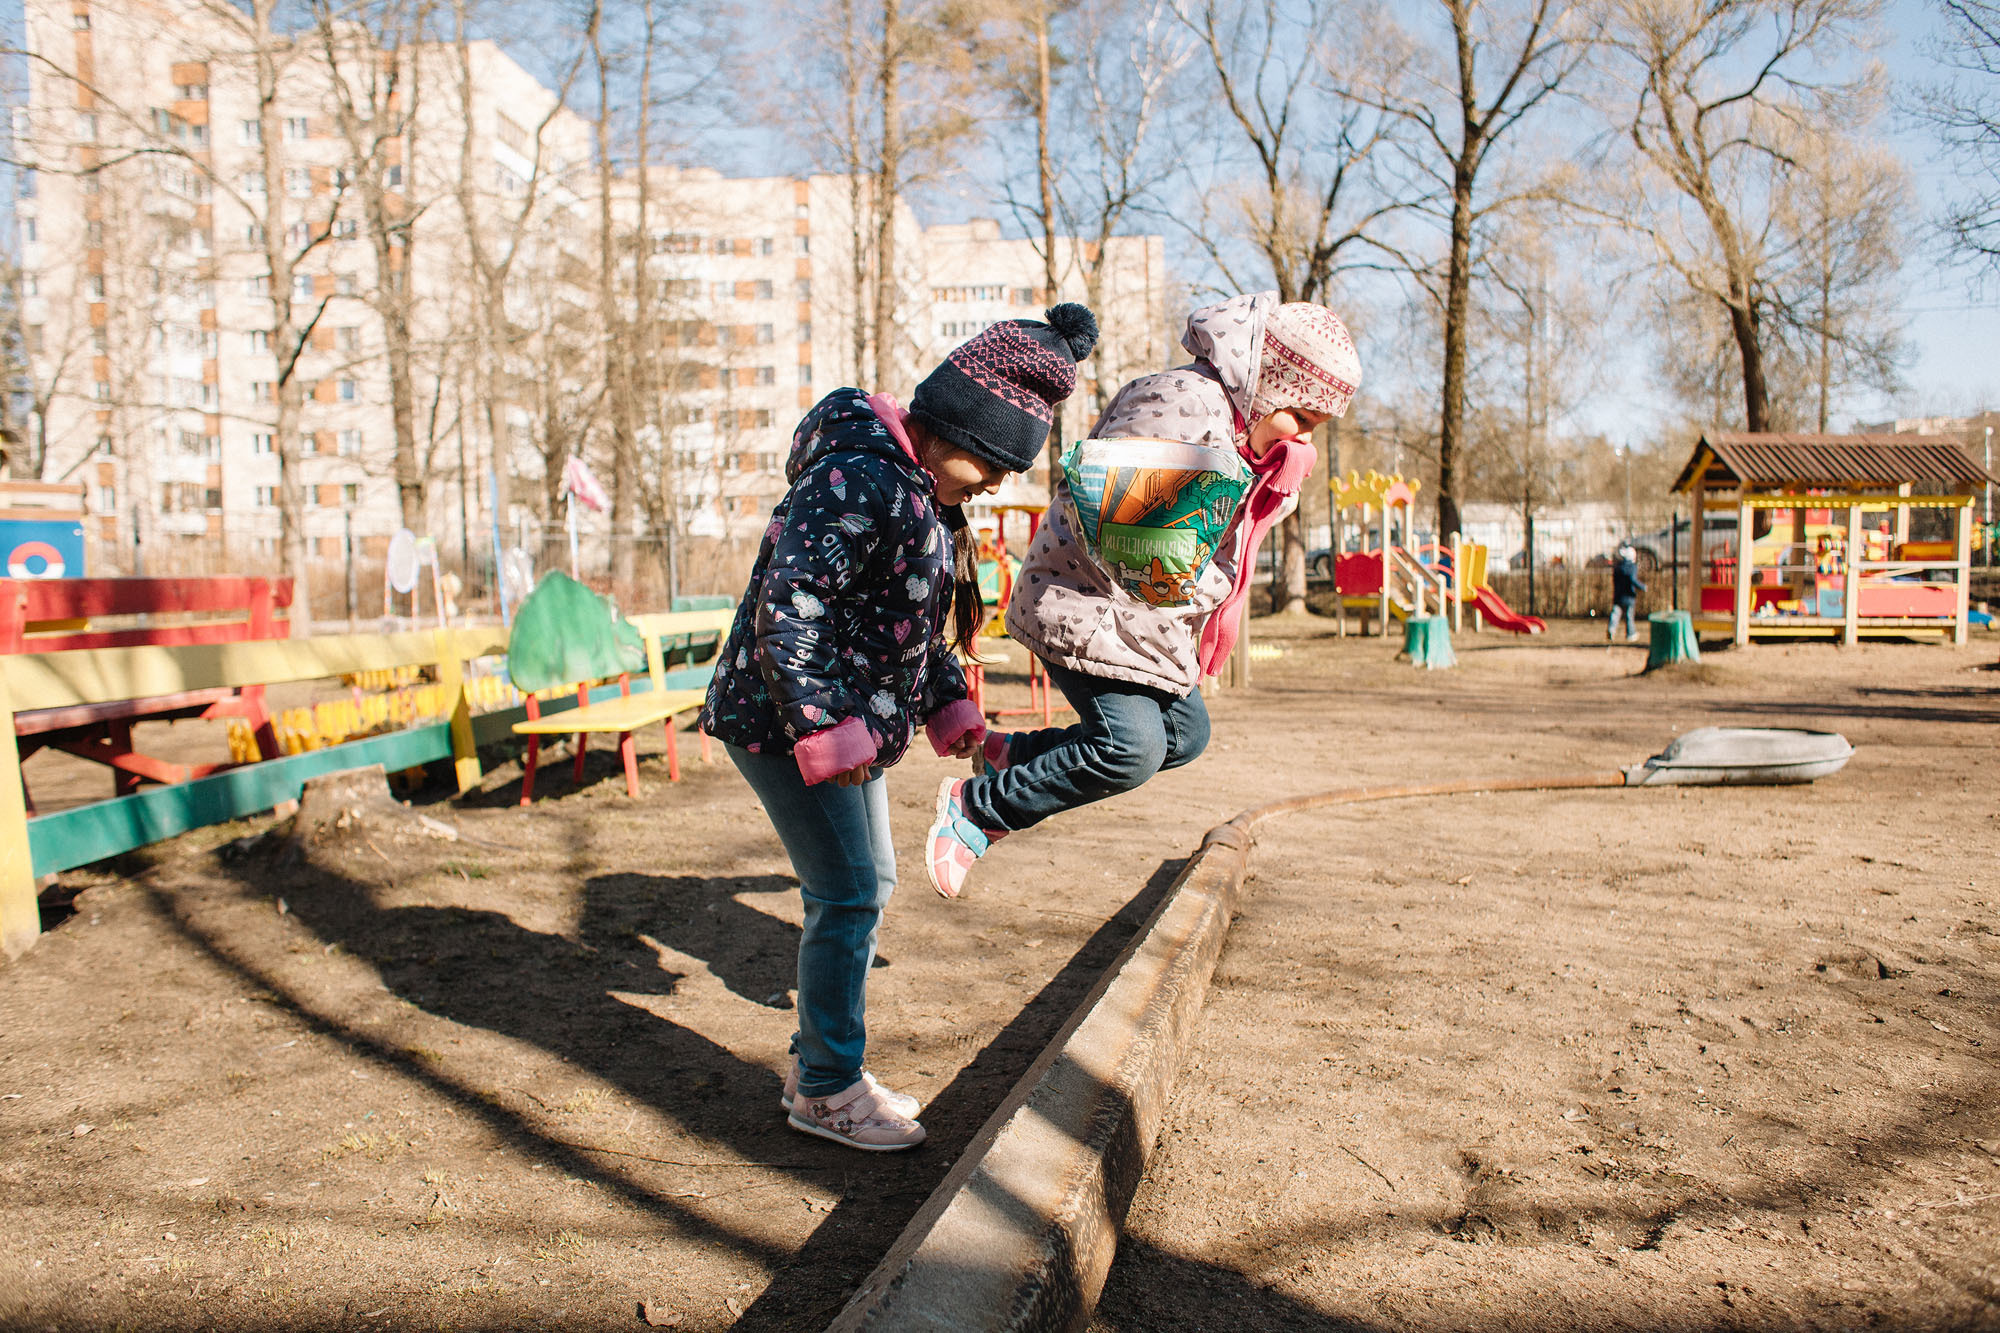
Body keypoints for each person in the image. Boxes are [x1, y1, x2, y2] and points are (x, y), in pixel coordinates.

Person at [700, 304, 1098, 1152]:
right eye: (989, 463)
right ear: (954, 423)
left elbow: (907, 628)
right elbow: (792, 606)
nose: (991, 484)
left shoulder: (918, 494)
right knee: (850, 889)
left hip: (828, 723)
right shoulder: (858, 479)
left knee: (861, 884)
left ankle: (822, 1065)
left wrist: (945, 700)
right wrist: (829, 725)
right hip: (785, 723)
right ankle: (829, 1087)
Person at [924, 293, 1361, 899]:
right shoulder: (1181, 405)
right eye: (1302, 420)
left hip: (1141, 620)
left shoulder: (1239, 431)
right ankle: (978, 809)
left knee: (1187, 737)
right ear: (1267, 381)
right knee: (1131, 749)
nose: (1306, 441)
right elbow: (1137, 541)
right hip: (1083, 600)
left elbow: (1212, 541)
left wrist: (1268, 489)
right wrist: (1251, 495)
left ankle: (1010, 754)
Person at [1610, 541, 1646, 642]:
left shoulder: (1618, 568)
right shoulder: (1632, 567)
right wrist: (1642, 587)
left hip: (1618, 595)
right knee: (1629, 616)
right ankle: (1630, 633)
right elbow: (1633, 579)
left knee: (1615, 614)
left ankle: (1611, 630)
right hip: (1629, 596)